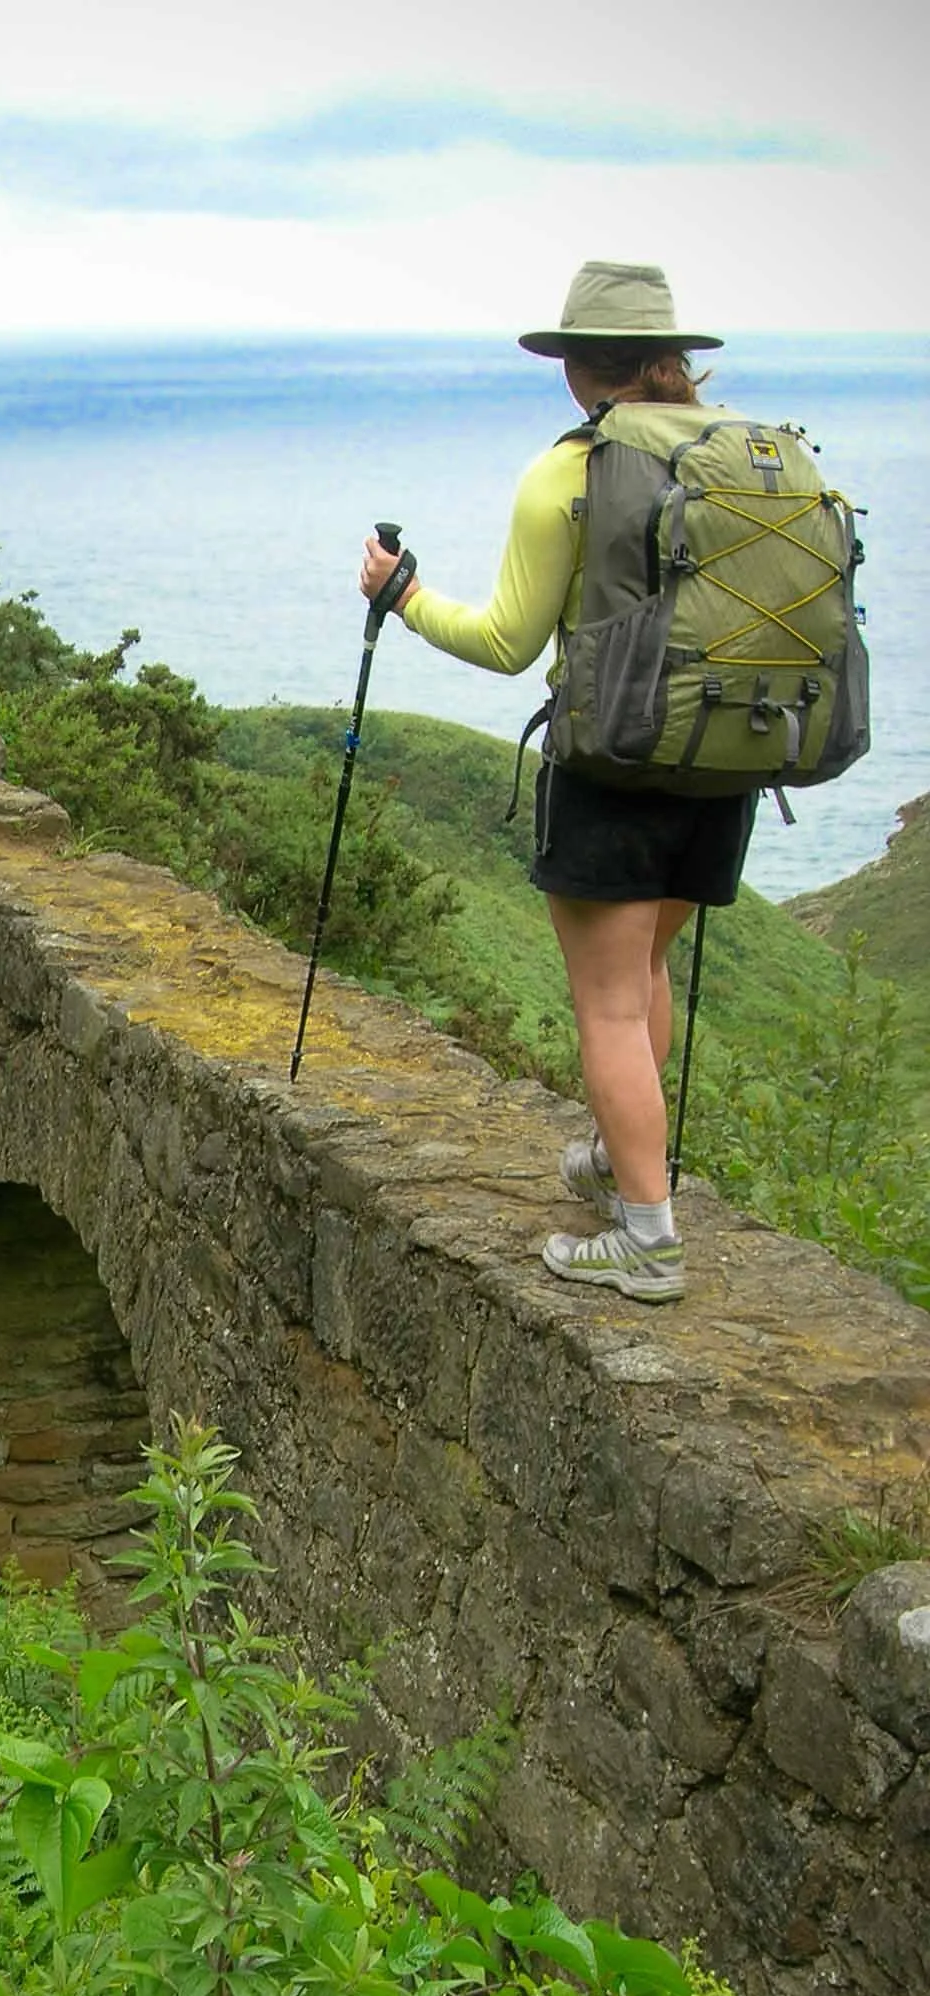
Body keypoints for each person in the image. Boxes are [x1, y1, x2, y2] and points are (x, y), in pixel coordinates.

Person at [359, 260, 752, 1307]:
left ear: (577, 367)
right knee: (648, 975)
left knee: (610, 1007)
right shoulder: (736, 453)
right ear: (674, 361)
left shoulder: (566, 474)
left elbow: (504, 639)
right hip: (730, 757)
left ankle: (650, 1239)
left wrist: (402, 596)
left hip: (616, 764)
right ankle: (619, 1167)